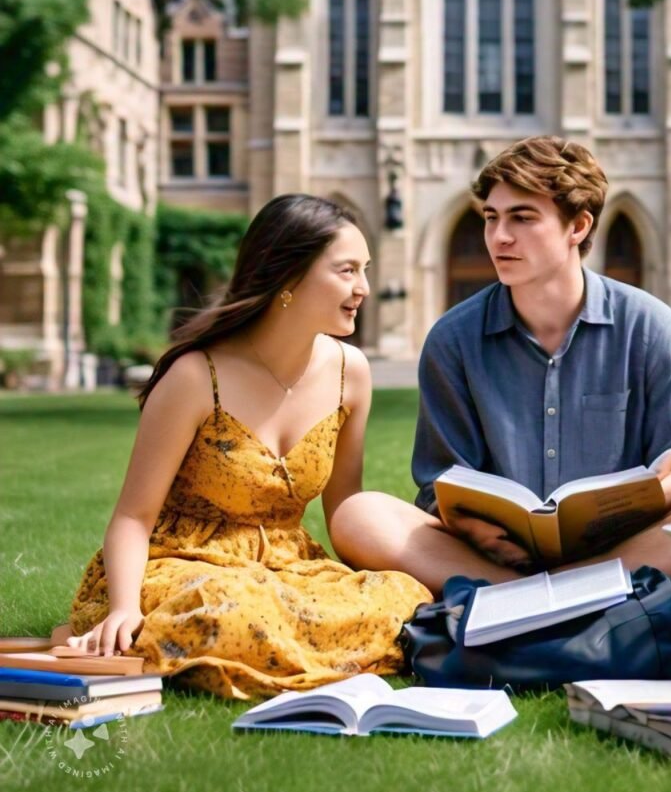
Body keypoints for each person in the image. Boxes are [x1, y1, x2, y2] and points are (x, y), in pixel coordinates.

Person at [333, 136, 671, 595]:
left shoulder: (650, 325)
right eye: (491, 218)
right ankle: (570, 600)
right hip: (498, 560)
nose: (499, 237)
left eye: (522, 218)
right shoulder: (452, 339)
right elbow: (439, 484)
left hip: (625, 548)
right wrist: (475, 529)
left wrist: (653, 494)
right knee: (360, 516)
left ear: (577, 226)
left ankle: (538, 604)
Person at [67, 195, 431, 699]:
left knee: (403, 598)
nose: (363, 289)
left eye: (365, 271)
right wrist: (125, 608)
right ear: (289, 277)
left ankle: (286, 640)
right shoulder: (196, 376)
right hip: (187, 565)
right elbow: (133, 517)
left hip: (285, 568)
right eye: (347, 271)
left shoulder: (352, 372)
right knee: (227, 608)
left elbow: (344, 505)